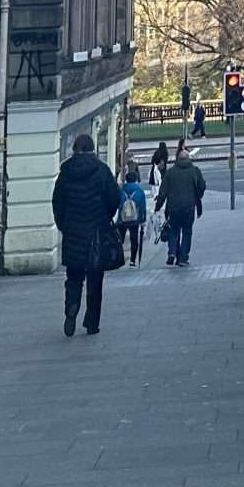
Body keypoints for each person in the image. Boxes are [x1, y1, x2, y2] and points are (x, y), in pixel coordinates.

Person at [51, 134, 122, 338]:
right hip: (96, 232)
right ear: (93, 149)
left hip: (73, 232)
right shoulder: (101, 171)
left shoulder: (66, 172)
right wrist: (104, 217)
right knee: (95, 280)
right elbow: (114, 198)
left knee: (73, 277)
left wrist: (64, 224)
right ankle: (92, 322)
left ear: (74, 150)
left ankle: (71, 307)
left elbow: (57, 202)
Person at [158, 144, 207, 265]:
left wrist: (158, 206)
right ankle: (183, 258)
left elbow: (163, 191)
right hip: (189, 207)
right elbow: (202, 186)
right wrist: (197, 197)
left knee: (173, 231)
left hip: (173, 207)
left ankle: (172, 252)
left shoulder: (170, 172)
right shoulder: (194, 171)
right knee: (187, 231)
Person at [116, 165, 151, 265]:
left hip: (122, 219)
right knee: (134, 239)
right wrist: (143, 219)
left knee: (120, 239)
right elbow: (142, 206)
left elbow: (117, 204)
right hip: (134, 219)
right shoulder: (139, 191)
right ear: (135, 179)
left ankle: (119, 258)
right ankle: (132, 260)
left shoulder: (121, 191)